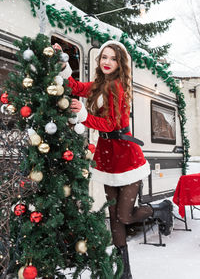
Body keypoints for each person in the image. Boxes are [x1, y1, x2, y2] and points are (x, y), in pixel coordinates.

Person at [56, 41, 173, 279]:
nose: (106, 62)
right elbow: (75, 86)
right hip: (107, 157)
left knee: (125, 216)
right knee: (114, 218)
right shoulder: (99, 84)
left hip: (127, 157)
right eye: (103, 57)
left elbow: (111, 124)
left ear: (120, 64)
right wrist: (61, 61)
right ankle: (124, 272)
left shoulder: (118, 87)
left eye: (112, 58)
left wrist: (83, 115)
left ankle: (161, 209)